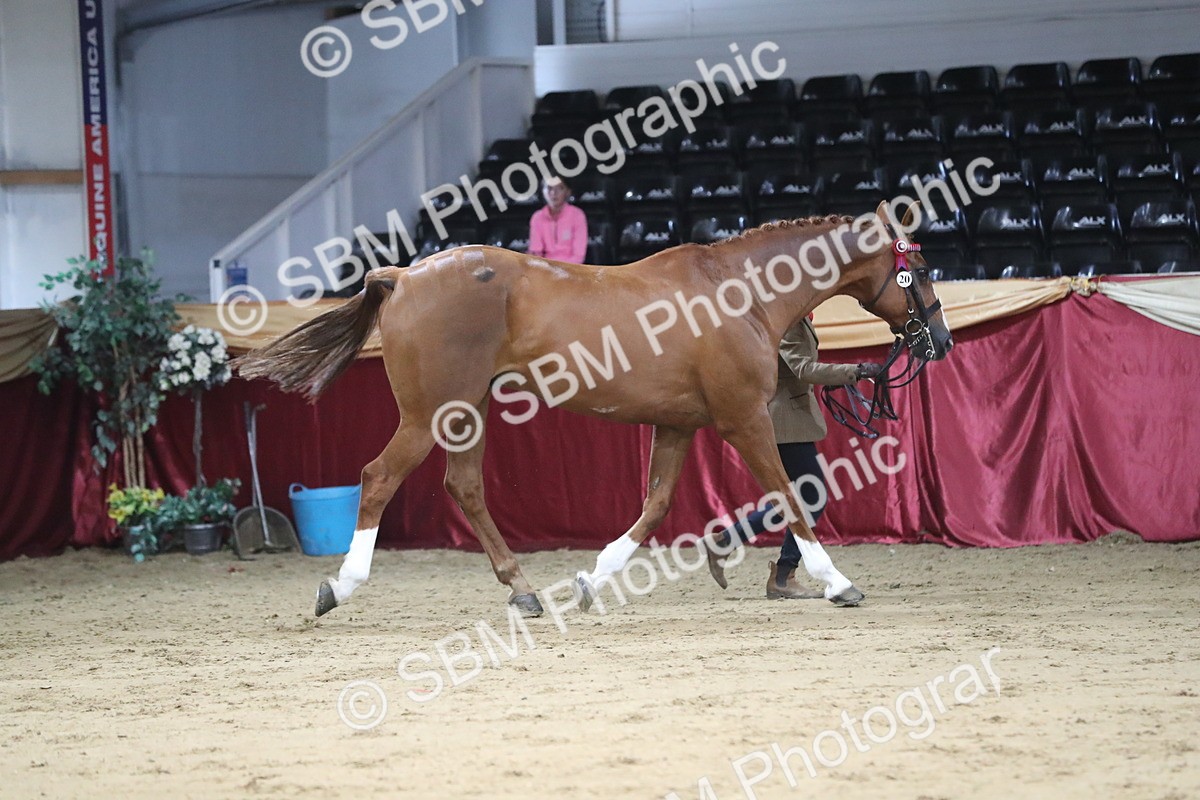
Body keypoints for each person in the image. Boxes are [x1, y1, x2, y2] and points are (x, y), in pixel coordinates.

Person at [704, 315, 882, 599]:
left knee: (803, 499)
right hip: (785, 421)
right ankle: (777, 571)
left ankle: (739, 548)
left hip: (793, 418)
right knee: (811, 498)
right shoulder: (785, 319)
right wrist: (854, 371)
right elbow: (802, 368)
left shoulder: (798, 317)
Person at [528, 176, 588, 264]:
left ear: (568, 191)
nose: (553, 193)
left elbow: (579, 256)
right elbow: (536, 252)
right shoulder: (537, 217)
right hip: (546, 270)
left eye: (559, 188)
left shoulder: (577, 215)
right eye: (549, 188)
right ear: (543, 191)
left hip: (572, 269)